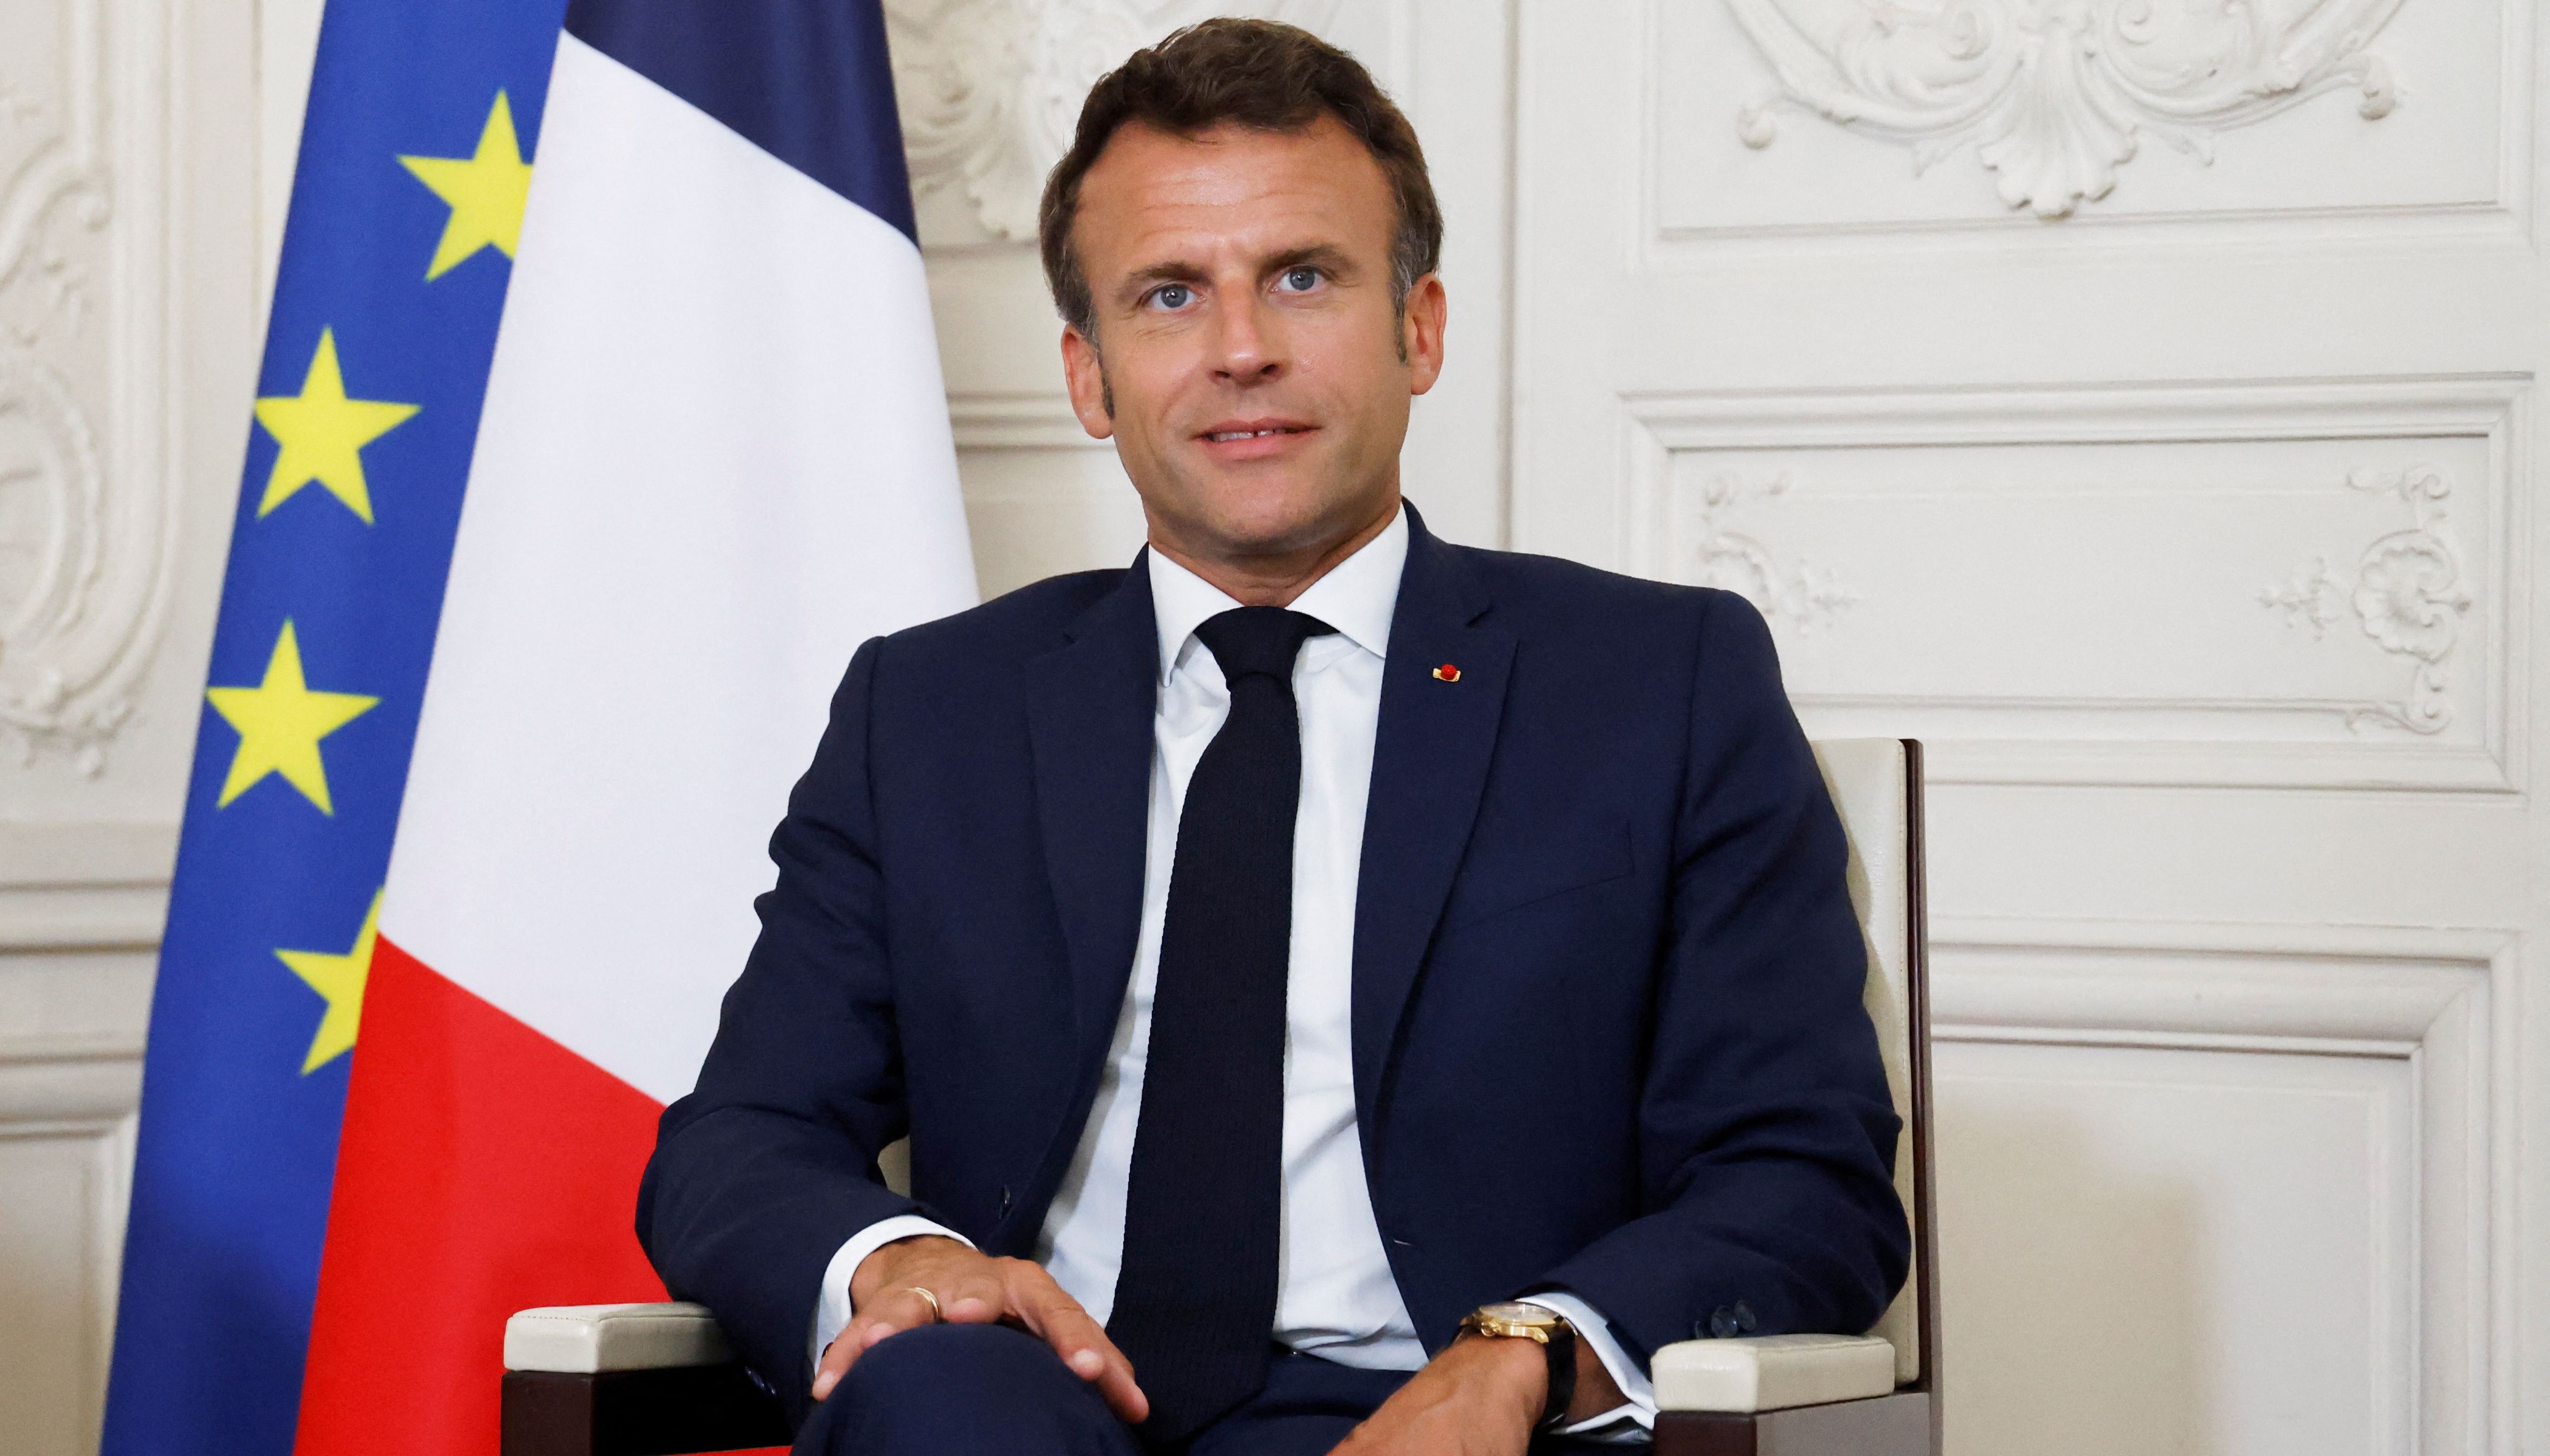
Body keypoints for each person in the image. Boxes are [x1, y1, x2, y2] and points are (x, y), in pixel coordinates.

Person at [637, 19, 1907, 1456]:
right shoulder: (929, 712)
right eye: (1169, 295)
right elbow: (737, 1140)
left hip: (1447, 1414)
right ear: (1088, 374)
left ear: (1416, 328)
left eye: (1301, 278)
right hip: (1036, 1412)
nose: (1240, 349)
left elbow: (1801, 1180)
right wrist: (900, 1267)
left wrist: (1520, 1354)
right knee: (936, 1403)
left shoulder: (1658, 687)